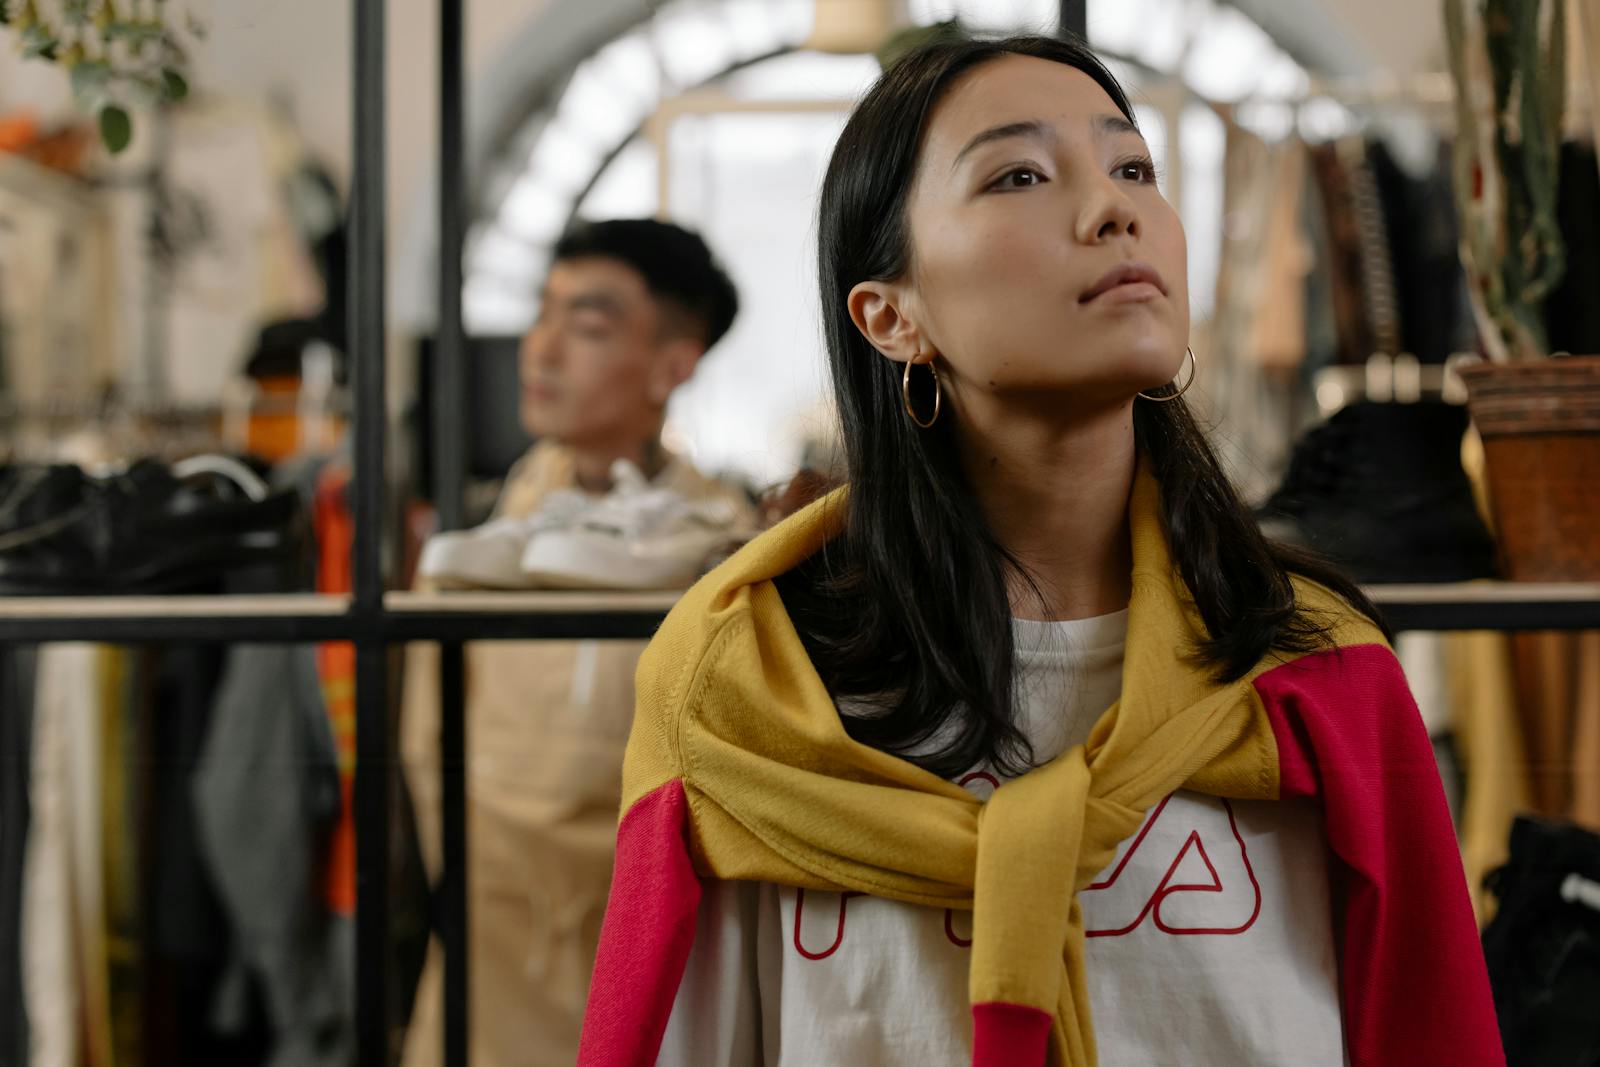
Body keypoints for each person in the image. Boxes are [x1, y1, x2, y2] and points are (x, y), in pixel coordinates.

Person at [578, 35, 1502, 1067]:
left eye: (1133, 169)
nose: (1114, 209)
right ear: (891, 315)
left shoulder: (1314, 670)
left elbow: (1431, 1032)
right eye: (1018, 174)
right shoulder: (750, 689)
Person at [400, 219, 750, 1067]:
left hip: (653, 947)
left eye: (587, 325)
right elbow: (424, 743)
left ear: (674, 362)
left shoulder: (724, 557)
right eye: (542, 313)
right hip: (491, 945)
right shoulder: (482, 546)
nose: (541, 349)